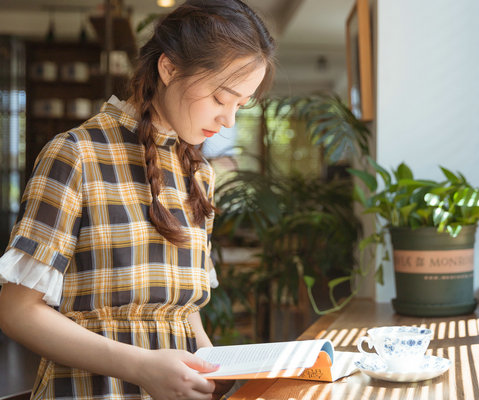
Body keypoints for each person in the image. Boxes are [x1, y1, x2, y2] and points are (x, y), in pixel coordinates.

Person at [0, 0, 275, 398]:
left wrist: (210, 365)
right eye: (221, 98)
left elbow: (183, 311)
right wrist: (142, 367)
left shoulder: (199, 175)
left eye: (240, 105)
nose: (229, 119)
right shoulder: (76, 154)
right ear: (169, 68)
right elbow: (17, 312)